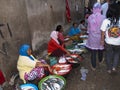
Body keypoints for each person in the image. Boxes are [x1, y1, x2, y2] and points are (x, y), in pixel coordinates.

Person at [101, 2, 120, 73]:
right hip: (118, 42)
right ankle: (114, 67)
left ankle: (109, 69)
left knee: (108, 55)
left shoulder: (106, 21)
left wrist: (102, 40)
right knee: (117, 54)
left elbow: (102, 32)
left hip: (108, 42)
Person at [86, 2, 105, 70]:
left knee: (93, 52)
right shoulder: (103, 17)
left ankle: (93, 66)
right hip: (100, 36)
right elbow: (104, 28)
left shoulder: (90, 17)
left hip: (92, 36)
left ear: (93, 9)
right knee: (100, 49)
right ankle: (100, 60)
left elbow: (88, 28)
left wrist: (88, 33)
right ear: (100, 9)